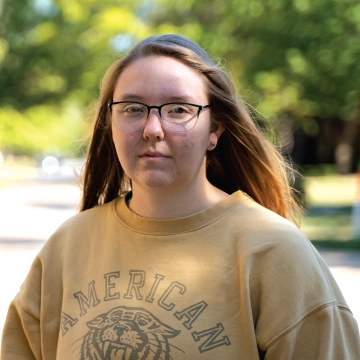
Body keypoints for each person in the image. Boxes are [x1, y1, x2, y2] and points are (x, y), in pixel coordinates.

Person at [1, 34, 359, 360]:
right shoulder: (68, 247)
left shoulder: (275, 253)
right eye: (132, 108)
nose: (152, 129)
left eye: (178, 110)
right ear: (110, 123)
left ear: (214, 129)